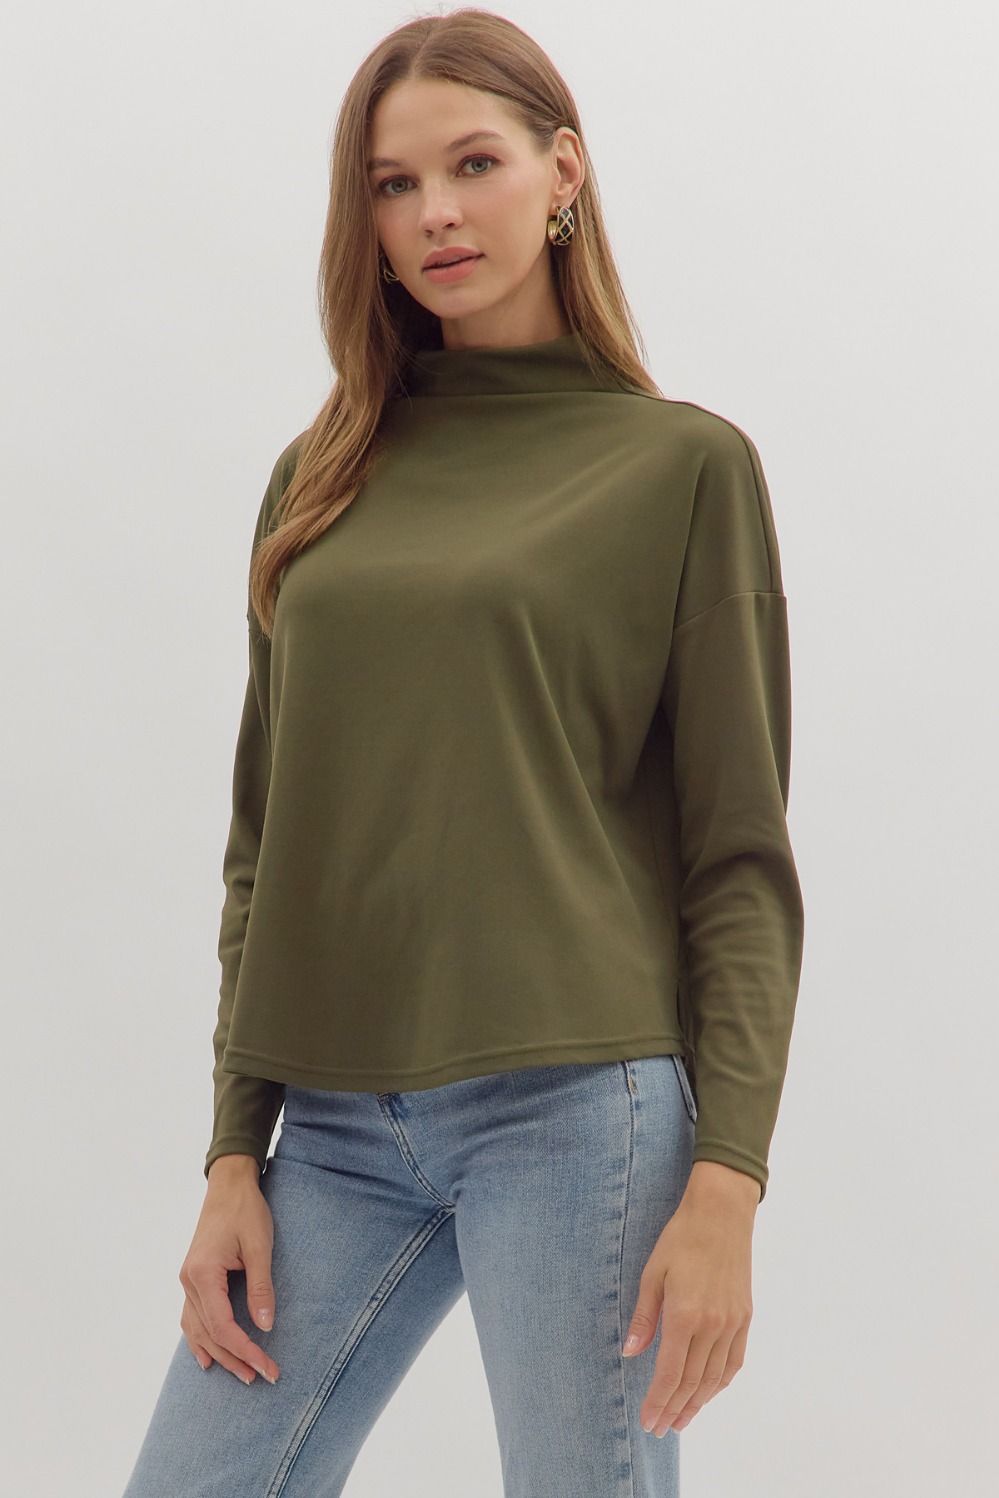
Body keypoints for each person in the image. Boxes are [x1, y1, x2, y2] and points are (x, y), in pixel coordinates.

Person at [121, 8, 804, 1496]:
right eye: (392, 183)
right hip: (330, 1128)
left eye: (473, 164)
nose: (433, 211)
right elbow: (264, 839)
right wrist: (234, 1151)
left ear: (564, 173)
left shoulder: (681, 468)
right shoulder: (319, 479)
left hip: (578, 1110)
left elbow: (740, 861)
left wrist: (728, 1186)